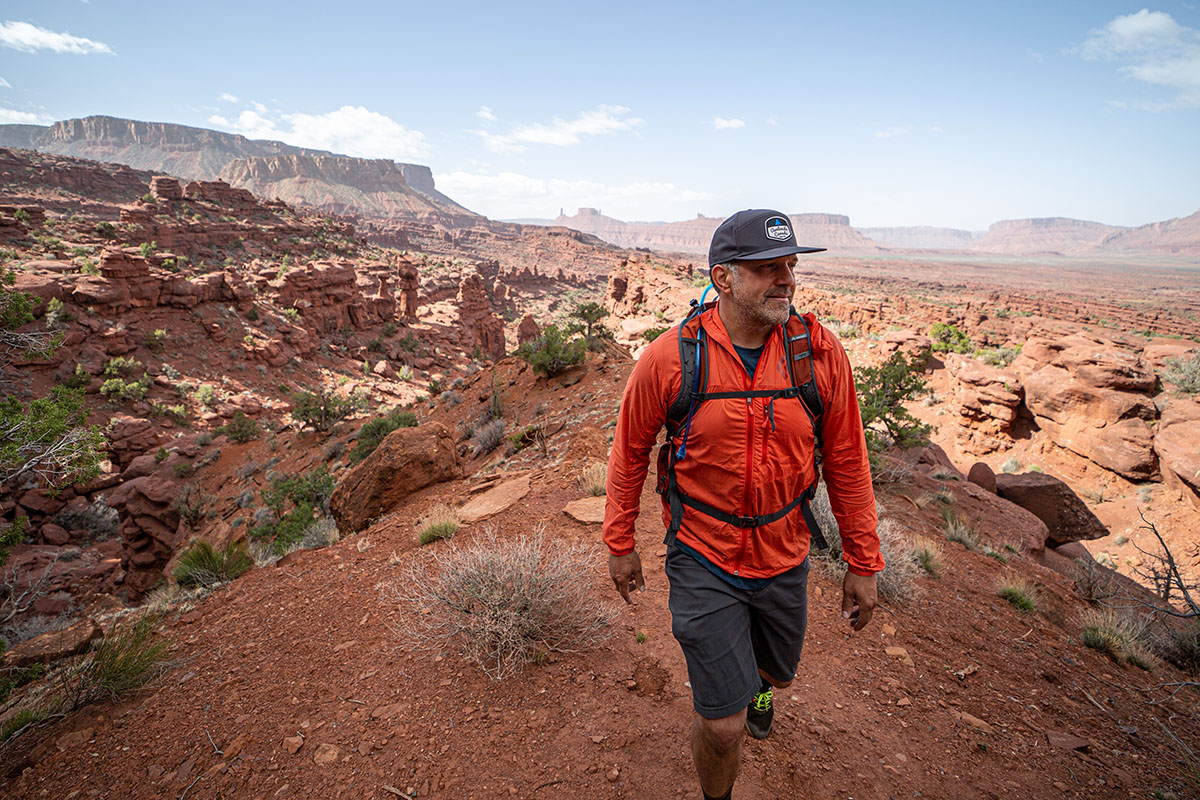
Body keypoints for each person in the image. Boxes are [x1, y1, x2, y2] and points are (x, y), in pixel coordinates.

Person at [602, 209, 884, 800]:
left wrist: (864, 562)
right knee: (724, 726)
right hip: (702, 554)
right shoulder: (671, 359)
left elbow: (848, 463)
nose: (785, 279)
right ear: (723, 278)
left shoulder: (820, 355)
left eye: (789, 266)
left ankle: (757, 688)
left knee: (773, 675)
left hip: (785, 554)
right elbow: (629, 453)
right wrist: (620, 544)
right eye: (766, 269)